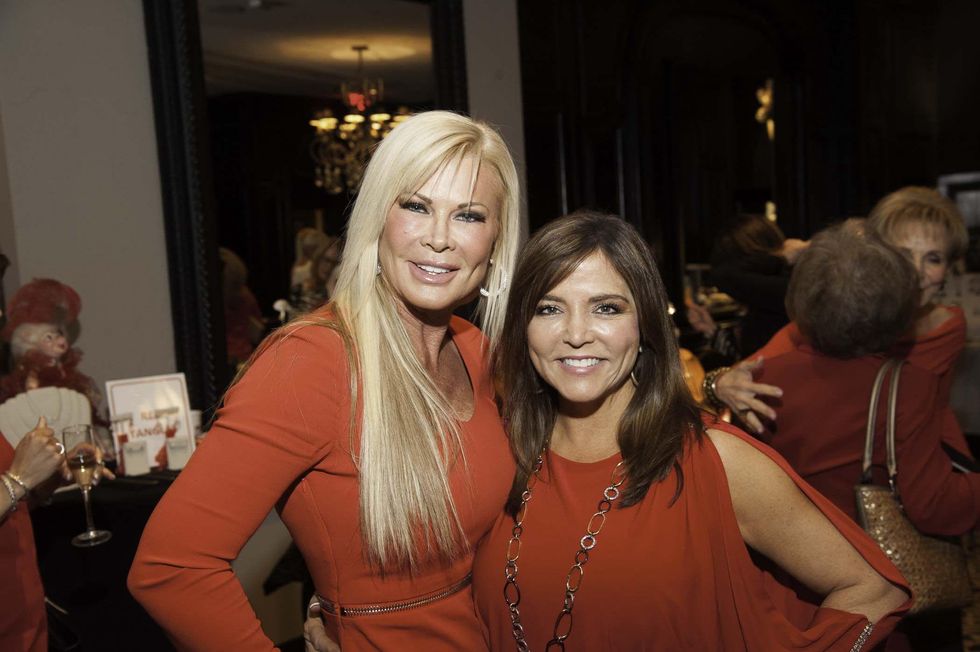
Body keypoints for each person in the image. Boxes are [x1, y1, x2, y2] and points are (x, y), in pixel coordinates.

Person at [128, 110, 522, 651]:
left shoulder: (477, 353)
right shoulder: (311, 364)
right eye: (415, 205)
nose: (439, 238)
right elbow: (170, 568)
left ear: (497, 239)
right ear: (377, 216)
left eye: (469, 216)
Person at [472, 212, 909, 651]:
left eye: (606, 308)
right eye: (549, 308)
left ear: (644, 324)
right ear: (522, 327)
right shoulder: (501, 453)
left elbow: (872, 588)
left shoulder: (715, 461)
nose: (576, 333)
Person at [711, 189, 971, 456]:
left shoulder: (948, 328)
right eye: (902, 254)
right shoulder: (842, 321)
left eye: (933, 258)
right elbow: (744, 371)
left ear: (948, 270)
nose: (916, 272)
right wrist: (716, 384)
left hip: (926, 459)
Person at [1, 417, 67, 652]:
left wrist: (45, 480)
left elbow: (10, 508)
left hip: (25, 622)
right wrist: (18, 479)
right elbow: (11, 486)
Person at [708, 213, 808, 356]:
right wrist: (712, 332)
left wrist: (780, 258)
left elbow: (721, 275)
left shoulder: (787, 288)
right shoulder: (771, 293)